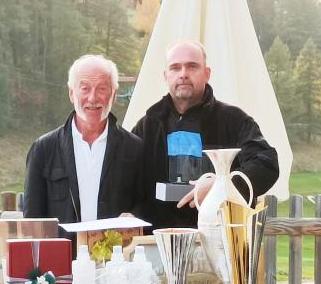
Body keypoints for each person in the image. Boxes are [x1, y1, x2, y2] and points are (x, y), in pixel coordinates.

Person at [132, 40, 279, 228]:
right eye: (175, 68)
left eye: (192, 66)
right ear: (165, 76)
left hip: (220, 237)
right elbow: (124, 178)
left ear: (207, 74)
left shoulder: (234, 121)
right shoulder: (147, 126)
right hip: (157, 240)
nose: (183, 74)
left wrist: (224, 187)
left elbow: (267, 165)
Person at [24, 54, 148, 225]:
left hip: (117, 243)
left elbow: (146, 207)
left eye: (102, 88)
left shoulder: (135, 149)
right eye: (85, 88)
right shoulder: (44, 149)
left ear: (114, 95)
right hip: (62, 243)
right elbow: (32, 220)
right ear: (71, 94)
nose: (93, 98)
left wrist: (134, 218)